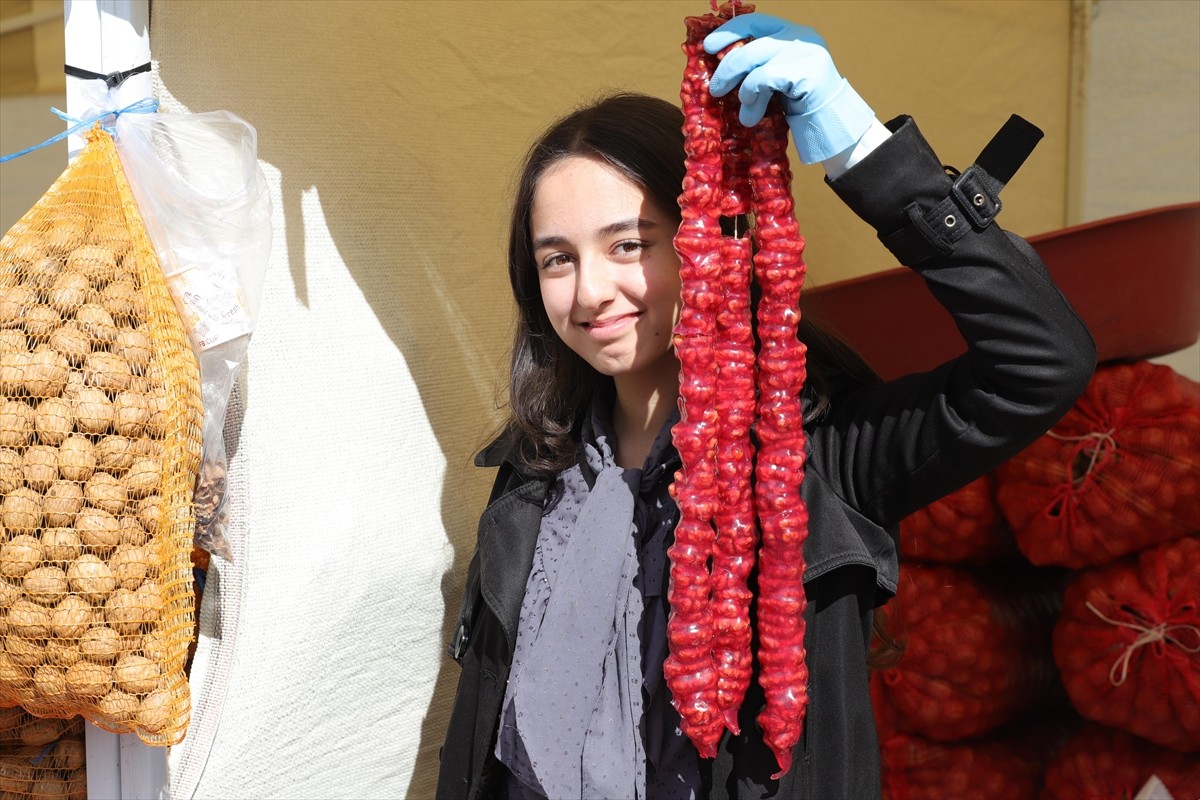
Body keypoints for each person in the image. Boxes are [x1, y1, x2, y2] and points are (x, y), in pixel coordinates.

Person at [437, 12, 1096, 800]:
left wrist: (861, 148)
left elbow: (1042, 362)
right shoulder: (532, 477)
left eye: (629, 245)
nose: (590, 291)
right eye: (557, 259)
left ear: (705, 242)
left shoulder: (818, 459)